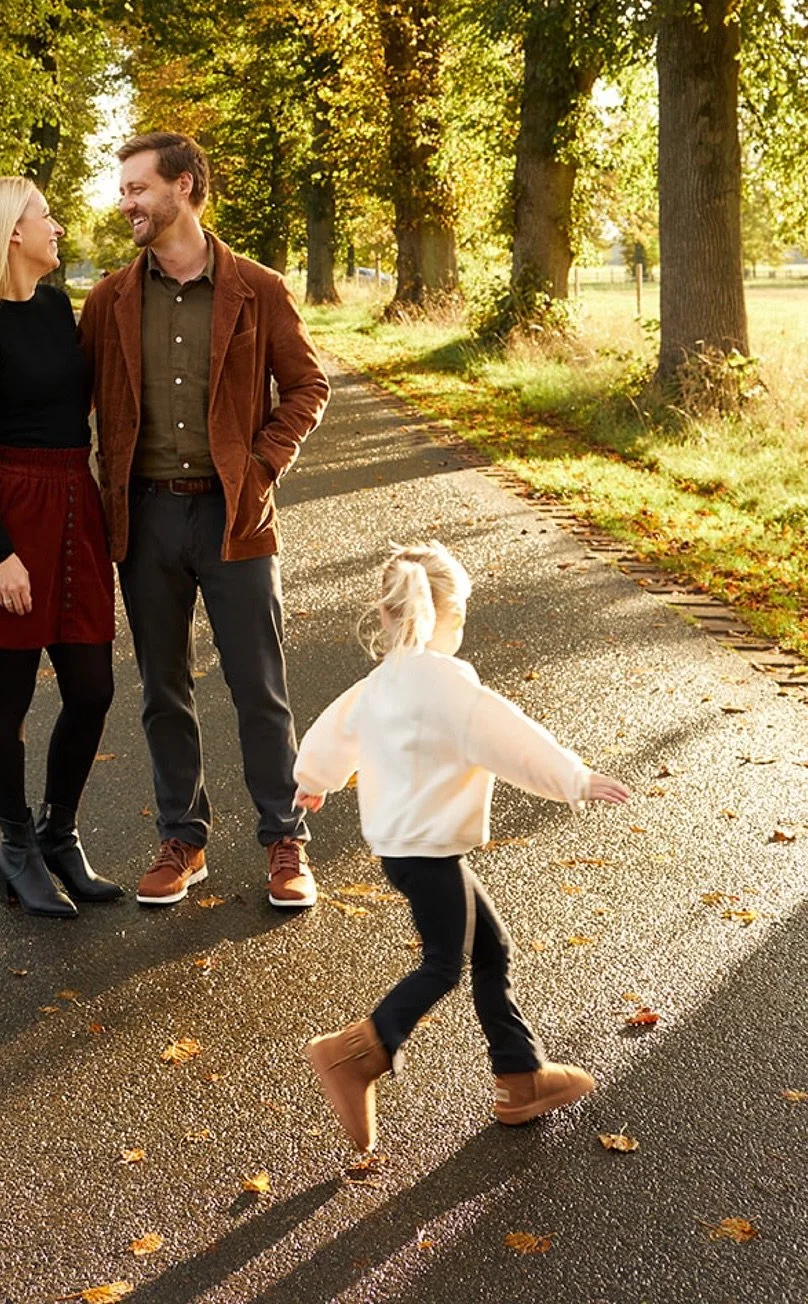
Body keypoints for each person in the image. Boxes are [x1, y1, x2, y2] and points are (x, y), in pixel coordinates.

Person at [292, 541, 630, 1152]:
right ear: (445, 615)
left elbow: (332, 733)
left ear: (391, 612)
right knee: (446, 963)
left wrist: (313, 781)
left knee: (489, 947)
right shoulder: (450, 685)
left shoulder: (381, 682)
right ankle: (354, 1054)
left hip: (401, 850)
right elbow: (514, 739)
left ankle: (520, 1077)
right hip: (430, 852)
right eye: (465, 612)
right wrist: (576, 779)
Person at [78, 131, 330, 909]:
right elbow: (70, 401)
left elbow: (306, 386)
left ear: (184, 187)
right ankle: (182, 841)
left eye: (137, 188)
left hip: (237, 518)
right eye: (122, 190)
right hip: (144, 516)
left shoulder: (257, 287)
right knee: (162, 686)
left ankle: (284, 840)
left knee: (259, 685)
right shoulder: (109, 298)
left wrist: (260, 468)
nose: (125, 203)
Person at [0, 176, 119, 918]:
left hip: (75, 506)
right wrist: (0, 553)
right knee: (9, 695)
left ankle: (58, 834)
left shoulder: (53, 303)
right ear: (12, 231)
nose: (58, 225)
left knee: (93, 689)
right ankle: (16, 847)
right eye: (46, 215)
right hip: (10, 519)